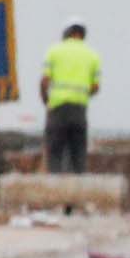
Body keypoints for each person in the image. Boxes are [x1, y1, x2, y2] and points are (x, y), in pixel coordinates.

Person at [37, 21, 99, 174]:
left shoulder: (54, 51)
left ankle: (55, 189)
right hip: (79, 109)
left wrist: (47, 101)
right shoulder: (92, 55)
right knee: (78, 152)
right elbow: (95, 87)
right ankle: (79, 190)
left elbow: (44, 81)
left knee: (55, 152)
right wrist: (82, 95)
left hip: (57, 107)